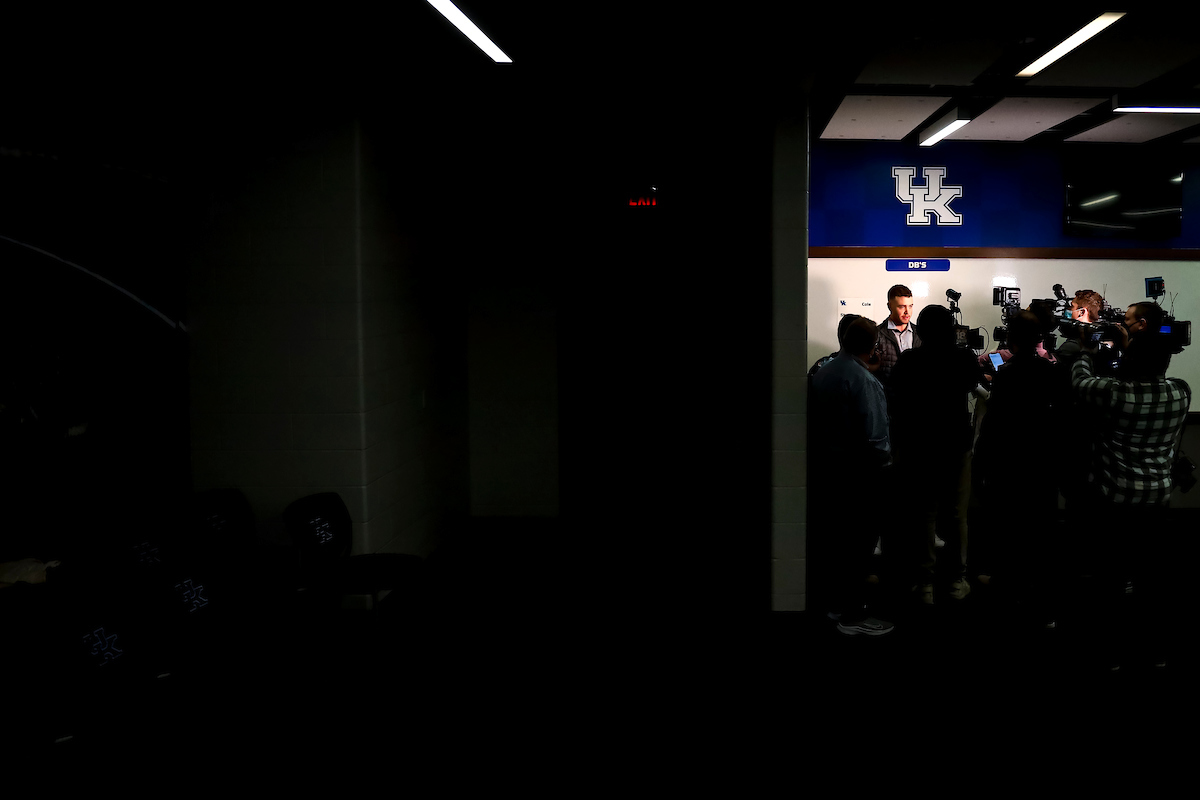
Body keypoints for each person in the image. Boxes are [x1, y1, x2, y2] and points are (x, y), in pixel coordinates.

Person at [1069, 302, 1190, 670]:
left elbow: (1079, 381)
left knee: (1110, 579)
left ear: (1131, 360)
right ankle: (1155, 653)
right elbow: (1149, 371)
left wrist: (1089, 350)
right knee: (1151, 579)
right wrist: (1127, 350)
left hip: (1115, 500)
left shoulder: (1114, 393)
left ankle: (1110, 655)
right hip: (1157, 500)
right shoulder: (1180, 392)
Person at [889, 304, 984, 604]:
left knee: (924, 515)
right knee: (957, 515)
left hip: (920, 447)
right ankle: (957, 580)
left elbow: (897, 398)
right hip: (956, 446)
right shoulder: (963, 358)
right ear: (950, 329)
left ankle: (925, 583)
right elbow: (973, 385)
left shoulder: (909, 359)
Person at [970, 311, 1059, 625]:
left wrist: (979, 466)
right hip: (1042, 465)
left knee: (1008, 530)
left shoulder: (1007, 374)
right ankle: (1039, 599)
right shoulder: (1052, 372)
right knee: (1038, 532)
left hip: (1009, 464)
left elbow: (993, 425)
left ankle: (1007, 595)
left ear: (1011, 338)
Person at [809, 315, 894, 635]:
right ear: (874, 347)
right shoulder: (866, 382)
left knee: (838, 544)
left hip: (831, 472)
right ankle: (853, 615)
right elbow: (876, 438)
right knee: (860, 545)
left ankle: (836, 606)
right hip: (863, 476)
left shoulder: (826, 371)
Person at [875, 284, 921, 409]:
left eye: (910, 306)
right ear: (889, 306)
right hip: (887, 403)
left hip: (916, 403)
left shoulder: (921, 334)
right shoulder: (877, 334)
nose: (907, 311)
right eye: (902, 306)